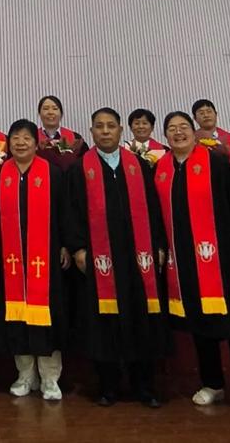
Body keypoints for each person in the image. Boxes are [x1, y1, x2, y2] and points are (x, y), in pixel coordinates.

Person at [155, 111, 230, 415]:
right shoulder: (162, 169)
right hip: (187, 261)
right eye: (171, 130)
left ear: (193, 132)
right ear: (165, 136)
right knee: (202, 327)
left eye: (182, 128)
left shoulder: (216, 163)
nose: (178, 133)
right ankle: (212, 384)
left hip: (225, 260)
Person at [66, 108, 169, 408]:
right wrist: (78, 248)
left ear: (121, 131)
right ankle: (108, 385)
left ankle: (144, 386)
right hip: (100, 261)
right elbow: (70, 214)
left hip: (138, 260)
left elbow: (155, 209)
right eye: (100, 126)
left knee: (141, 319)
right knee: (104, 321)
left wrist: (159, 245)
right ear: (91, 131)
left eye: (111, 126)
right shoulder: (79, 169)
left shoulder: (138, 166)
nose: (106, 131)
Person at [0, 119, 69, 401]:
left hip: (45, 261)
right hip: (10, 262)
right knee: (16, 317)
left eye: (26, 138)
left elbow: (65, 215)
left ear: (37, 143)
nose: (20, 143)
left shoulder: (54, 174)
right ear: (8, 143)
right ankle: (24, 375)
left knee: (47, 317)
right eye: (15, 138)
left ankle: (49, 378)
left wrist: (66, 246)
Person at [36, 95, 88, 170]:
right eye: (45, 109)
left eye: (55, 108)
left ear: (61, 114)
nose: (50, 112)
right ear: (39, 113)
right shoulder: (33, 139)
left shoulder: (75, 139)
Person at [191, 99, 230, 167]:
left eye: (209, 111)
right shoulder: (191, 141)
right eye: (201, 113)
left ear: (216, 114)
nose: (206, 115)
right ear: (195, 118)